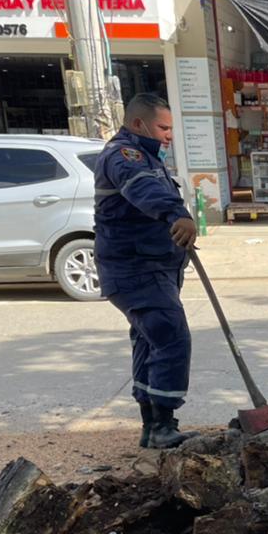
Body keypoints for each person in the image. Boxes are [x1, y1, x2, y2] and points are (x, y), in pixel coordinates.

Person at [94, 93, 199, 449]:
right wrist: (176, 213)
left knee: (150, 341)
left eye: (171, 128)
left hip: (153, 267)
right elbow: (143, 189)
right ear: (138, 124)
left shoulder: (149, 157)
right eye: (163, 127)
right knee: (171, 336)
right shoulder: (126, 156)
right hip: (136, 270)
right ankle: (163, 425)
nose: (169, 135)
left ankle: (151, 426)